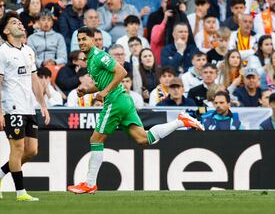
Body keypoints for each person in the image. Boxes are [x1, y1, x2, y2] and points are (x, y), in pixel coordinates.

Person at [67, 27, 203, 194]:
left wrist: (105, 92)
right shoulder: (89, 59)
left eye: (84, 39)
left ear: (93, 40)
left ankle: (89, 184)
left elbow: (121, 72)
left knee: (96, 139)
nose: (81, 42)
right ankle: (181, 121)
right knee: (144, 139)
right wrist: (87, 91)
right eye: (79, 39)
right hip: (123, 100)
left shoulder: (99, 56)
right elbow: (103, 81)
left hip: (115, 101)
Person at [0, 11, 50, 201]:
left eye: (20, 22)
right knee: (18, 149)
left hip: (29, 106)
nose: (21, 25)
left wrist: (43, 105)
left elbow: (34, 80)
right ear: (6, 30)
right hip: (12, 107)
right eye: (15, 23)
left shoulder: (28, 51)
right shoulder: (1, 53)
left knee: (32, 150)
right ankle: (20, 193)